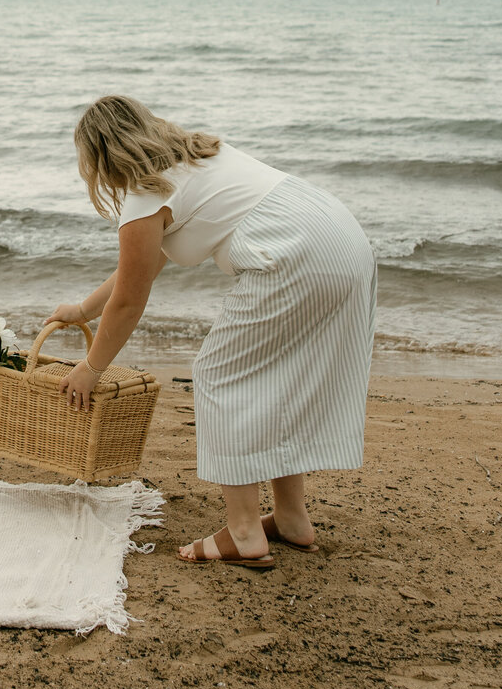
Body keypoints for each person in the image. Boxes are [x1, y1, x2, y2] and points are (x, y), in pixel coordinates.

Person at [50, 94, 376, 570]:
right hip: (339, 239)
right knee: (279, 381)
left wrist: (91, 368)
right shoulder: (195, 155)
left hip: (295, 254)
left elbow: (130, 300)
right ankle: (290, 518)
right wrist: (83, 309)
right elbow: (142, 270)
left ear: (100, 157)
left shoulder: (145, 194)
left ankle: (244, 533)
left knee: (218, 376)